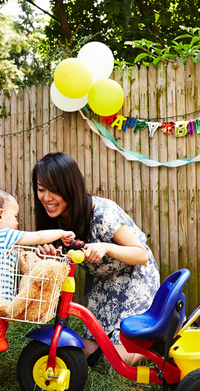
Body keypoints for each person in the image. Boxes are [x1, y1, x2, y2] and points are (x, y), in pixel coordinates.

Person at [32, 152, 160, 366]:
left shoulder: (102, 213)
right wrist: (51, 257)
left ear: (70, 187)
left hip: (134, 278)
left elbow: (141, 255)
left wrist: (106, 247)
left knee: (115, 360)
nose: (46, 198)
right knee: (88, 353)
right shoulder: (54, 221)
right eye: (41, 189)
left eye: (53, 190)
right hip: (104, 283)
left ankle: (159, 342)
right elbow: (66, 262)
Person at [0, 185, 75, 391]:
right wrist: (61, 233)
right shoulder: (3, 236)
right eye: (15, 216)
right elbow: (38, 237)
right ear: (0, 215)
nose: (17, 223)